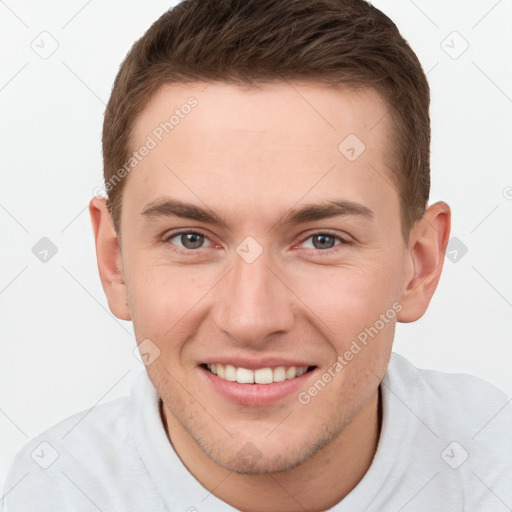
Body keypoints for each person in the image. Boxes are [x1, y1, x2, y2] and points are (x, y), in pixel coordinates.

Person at [3, 0, 511, 510]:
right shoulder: (49, 493)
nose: (250, 320)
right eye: (191, 239)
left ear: (418, 266)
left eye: (322, 241)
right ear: (114, 261)